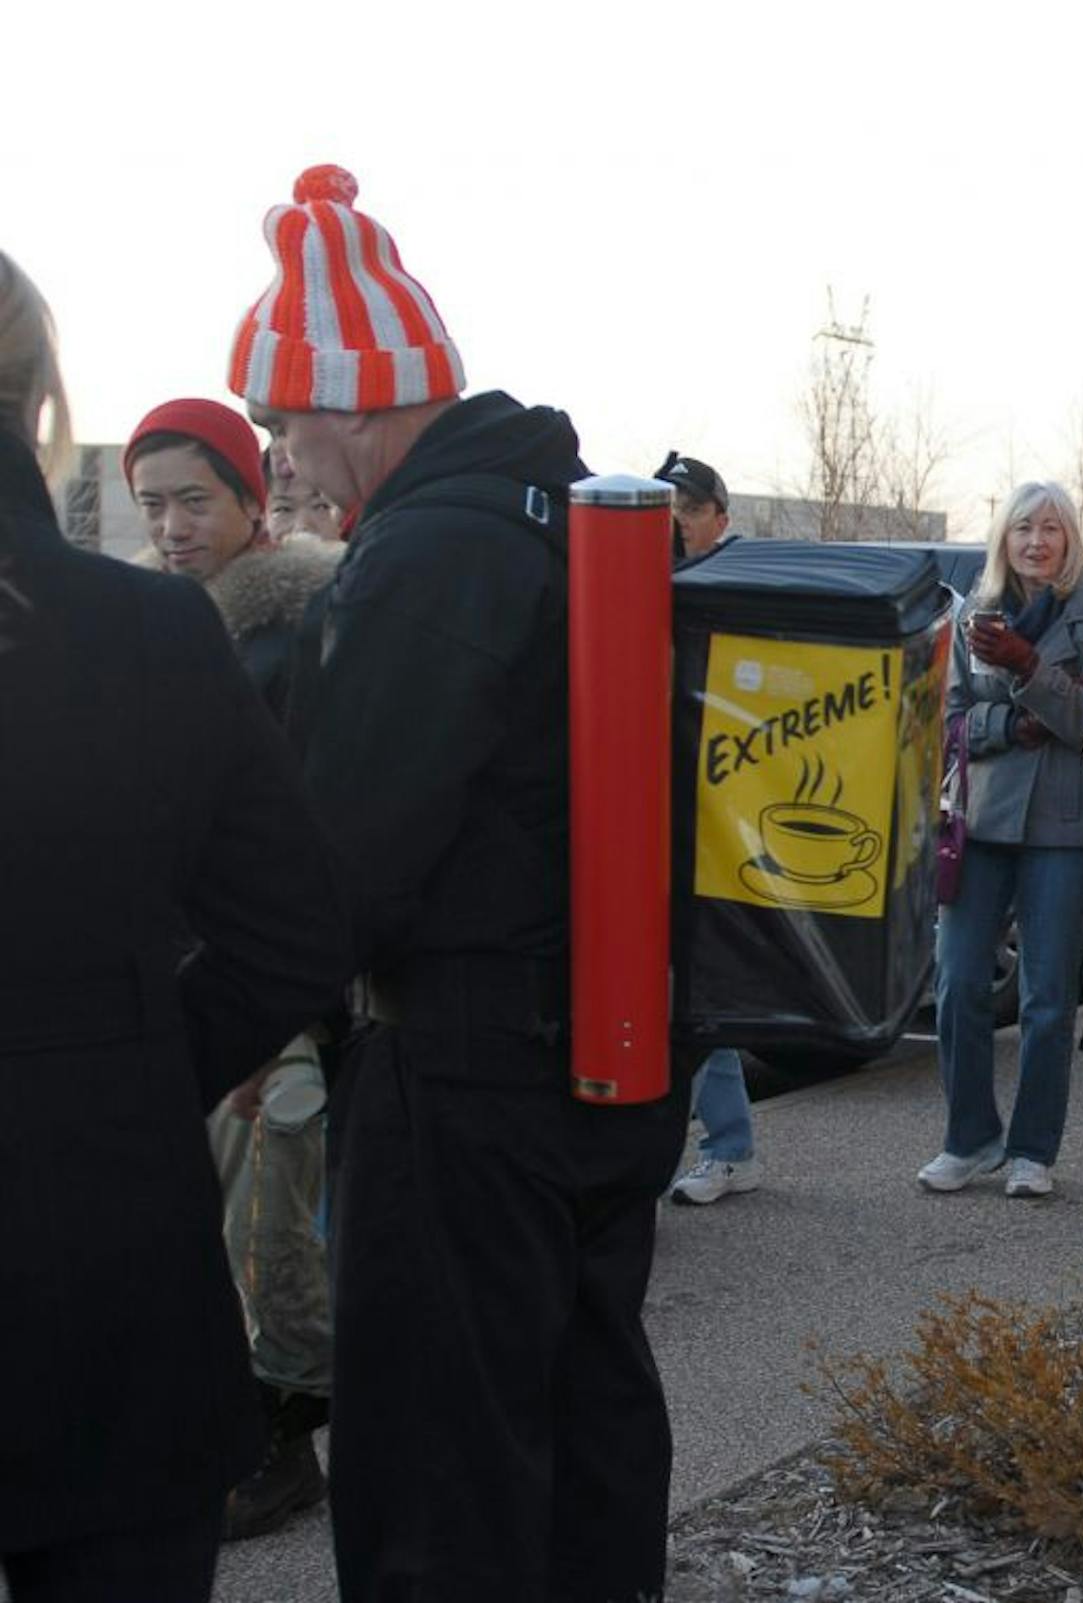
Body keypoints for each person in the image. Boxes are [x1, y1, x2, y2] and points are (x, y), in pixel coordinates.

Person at [233, 165, 693, 1602]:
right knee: (583, 1412)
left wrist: (230, 1017)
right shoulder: (558, 512)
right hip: (606, 1051)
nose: (282, 454)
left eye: (285, 417)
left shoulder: (427, 556)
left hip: (466, 1073)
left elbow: (342, 857)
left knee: (440, 1459)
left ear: (358, 399)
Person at [0, 249, 351, 1603]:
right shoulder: (148, 631)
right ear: (41, 406)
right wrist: (139, 1068)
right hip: (114, 1280)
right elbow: (295, 926)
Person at [125, 399, 345, 1542]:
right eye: (151, 503)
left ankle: (281, 1443)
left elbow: (292, 843)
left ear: (254, 502)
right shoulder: (178, 629)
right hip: (208, 981)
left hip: (274, 993)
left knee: (272, 1227)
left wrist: (277, 1017)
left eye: (193, 499)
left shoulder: (285, 633)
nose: (168, 525)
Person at [920, 482, 1083, 1195]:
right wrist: (1006, 726)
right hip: (983, 817)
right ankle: (969, 1137)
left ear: (1071, 539)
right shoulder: (976, 610)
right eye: (1022, 528)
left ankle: (1033, 1150)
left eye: (1051, 528)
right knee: (960, 980)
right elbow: (948, 720)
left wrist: (1032, 670)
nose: (1036, 541)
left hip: (1065, 826)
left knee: (1045, 996)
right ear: (1002, 537)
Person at [658, 450, 764, 1206]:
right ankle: (716, 1142)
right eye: (665, 504)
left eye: (689, 508)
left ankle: (727, 1146)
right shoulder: (639, 582)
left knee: (703, 986)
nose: (674, 519)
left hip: (717, 812)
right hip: (653, 810)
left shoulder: (732, 590)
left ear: (719, 520)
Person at [659, 450, 730, 563]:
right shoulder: (630, 571)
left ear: (721, 524)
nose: (676, 520)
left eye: (693, 510)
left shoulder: (738, 576)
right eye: (667, 508)